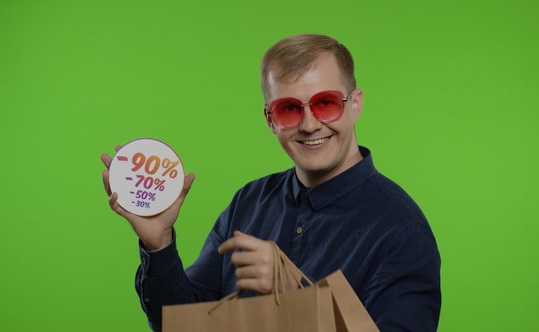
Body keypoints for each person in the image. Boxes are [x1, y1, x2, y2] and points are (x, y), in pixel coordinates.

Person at [101, 34, 441, 331]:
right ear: (269, 119)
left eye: (325, 103)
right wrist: (159, 246)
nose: (309, 125)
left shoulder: (402, 230)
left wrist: (297, 295)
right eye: (289, 108)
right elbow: (184, 324)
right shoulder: (248, 203)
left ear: (355, 105)